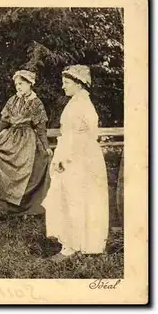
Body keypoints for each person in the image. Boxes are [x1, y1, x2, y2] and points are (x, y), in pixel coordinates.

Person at [42, 65, 109, 260]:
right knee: (68, 197)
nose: (63, 87)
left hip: (81, 158)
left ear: (79, 84)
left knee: (76, 198)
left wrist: (68, 157)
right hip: (72, 155)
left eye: (67, 83)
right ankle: (71, 244)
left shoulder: (84, 104)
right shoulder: (74, 102)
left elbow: (90, 133)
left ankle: (76, 246)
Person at [0, 70, 52, 218]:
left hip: (28, 142)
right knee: (6, 174)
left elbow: (41, 128)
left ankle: (26, 210)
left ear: (30, 84)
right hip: (11, 139)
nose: (18, 87)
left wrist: (46, 147)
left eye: (21, 83)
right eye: (16, 84)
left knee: (29, 174)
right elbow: (4, 121)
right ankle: (2, 211)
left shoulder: (36, 103)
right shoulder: (12, 100)